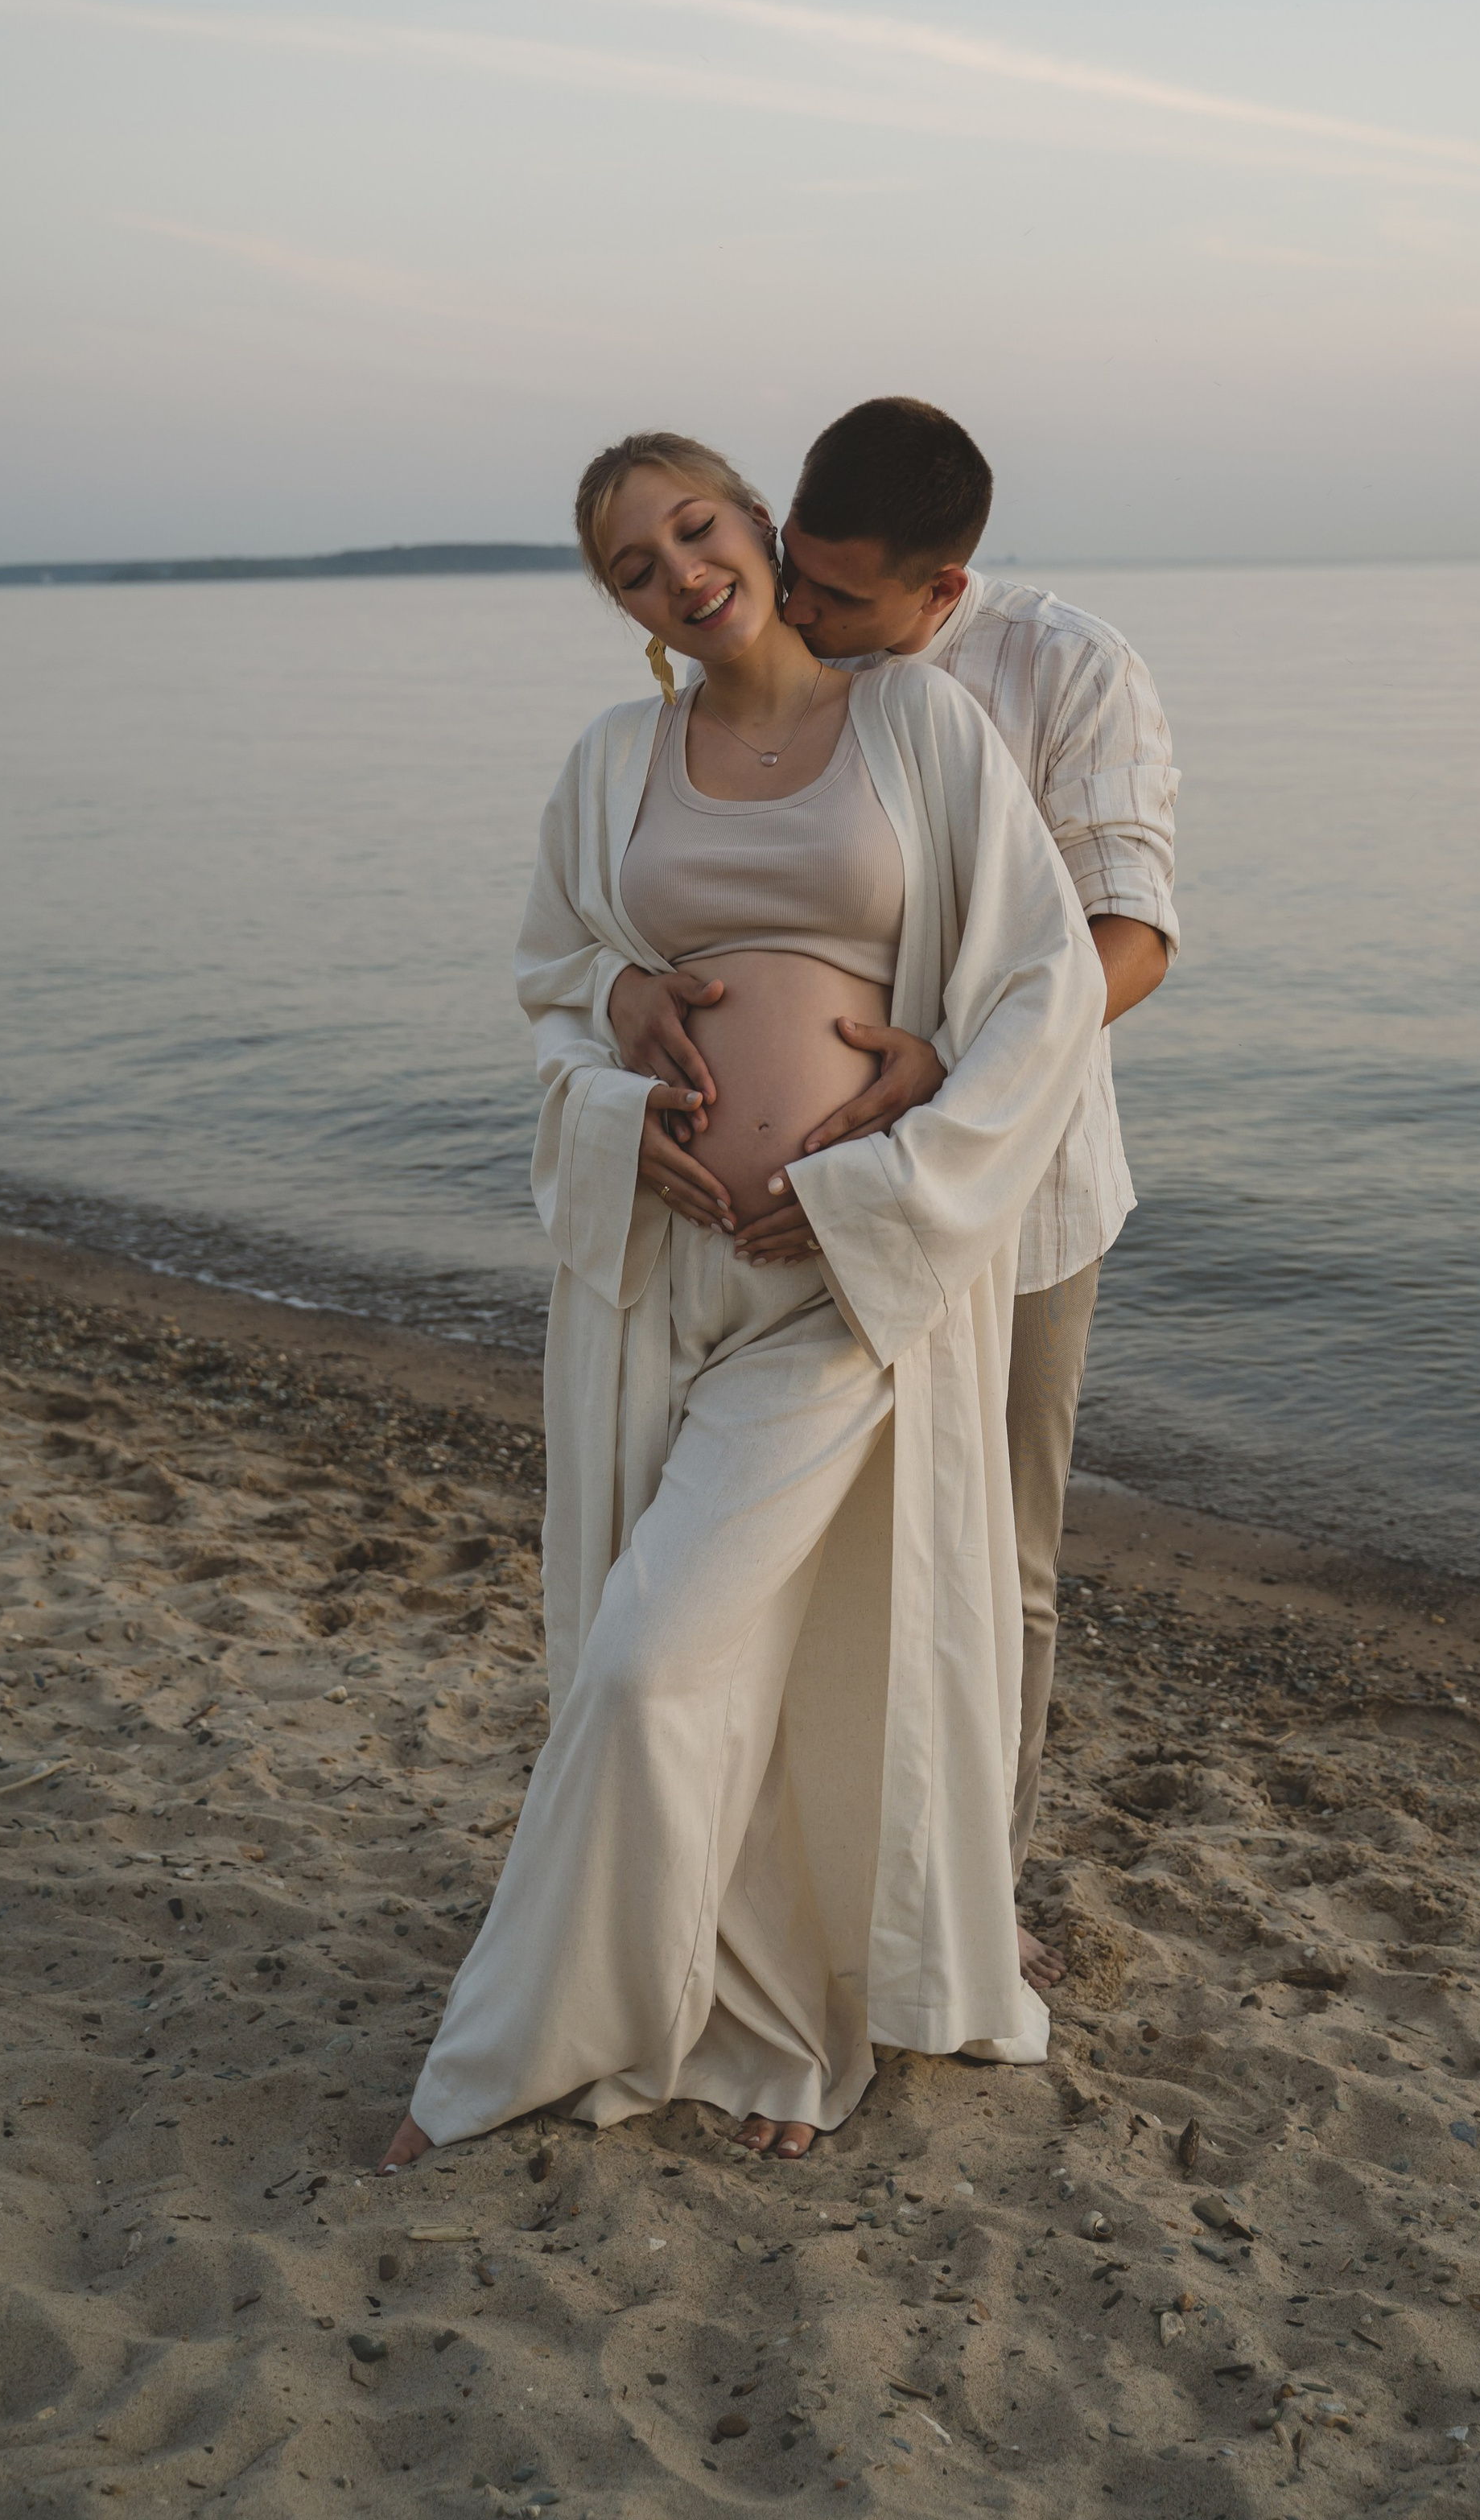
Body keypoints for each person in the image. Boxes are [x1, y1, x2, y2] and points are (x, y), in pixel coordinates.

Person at [378, 431, 1103, 2175]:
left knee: (655, 1662)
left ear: (759, 526)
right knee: (706, 1651)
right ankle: (746, 2002)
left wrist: (905, 1148)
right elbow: (552, 982)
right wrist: (616, 1044)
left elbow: (1047, 979)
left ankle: (499, 2059)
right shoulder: (611, 759)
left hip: (842, 1284)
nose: (678, 574)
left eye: (694, 528)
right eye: (632, 567)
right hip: (655, 1277)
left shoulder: (920, 726)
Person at [606, 400, 1177, 1990]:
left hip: (1013, 1194)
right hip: (768, 1228)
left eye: (841, 594)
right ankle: (770, 1884)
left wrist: (950, 1065)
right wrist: (623, 995)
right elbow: (664, 882)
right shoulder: (770, 654)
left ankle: (969, 1899)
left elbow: (1130, 933)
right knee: (777, 1547)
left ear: (944, 590)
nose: (797, 603)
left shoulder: (1064, 670)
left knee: (995, 1560)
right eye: (792, 563)